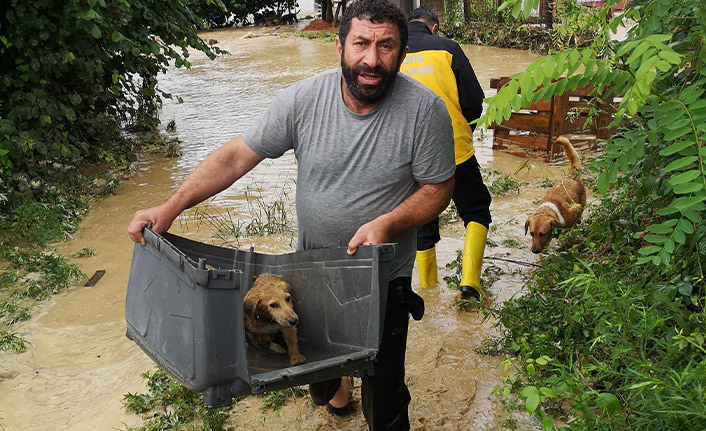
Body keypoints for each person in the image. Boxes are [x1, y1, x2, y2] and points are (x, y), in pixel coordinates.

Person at [127, 0, 456, 429]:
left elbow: (438, 188)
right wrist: (169, 207)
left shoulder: (424, 111)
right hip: (312, 269)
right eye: (360, 43)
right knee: (319, 376)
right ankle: (339, 392)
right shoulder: (304, 99)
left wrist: (388, 223)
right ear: (339, 46)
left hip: (383, 273)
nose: (371, 60)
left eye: (386, 46)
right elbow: (236, 157)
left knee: (386, 381)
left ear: (403, 52)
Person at [399, 6, 492, 299]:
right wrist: (464, 133)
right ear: (434, 27)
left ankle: (428, 290)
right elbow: (475, 102)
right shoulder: (448, 49)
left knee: (422, 221)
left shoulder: (392, 53)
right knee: (476, 210)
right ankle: (470, 285)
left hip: (410, 155)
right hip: (454, 148)